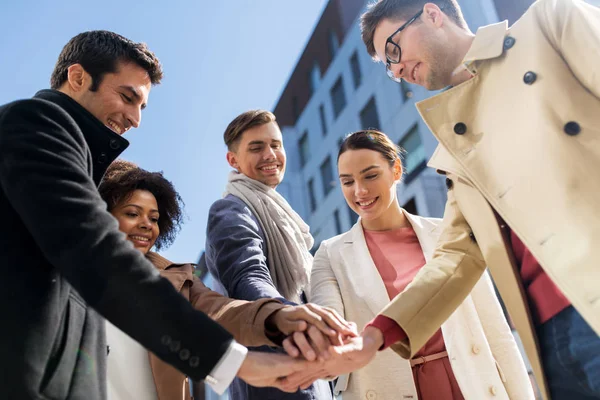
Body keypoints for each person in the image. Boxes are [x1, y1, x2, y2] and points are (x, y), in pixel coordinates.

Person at [283, 1, 600, 399]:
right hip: (551, 340)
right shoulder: (454, 147)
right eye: (387, 65)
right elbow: (455, 258)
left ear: (432, 14)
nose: (396, 70)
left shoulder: (552, 24)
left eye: (394, 50)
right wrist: (372, 339)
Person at [0, 31, 314, 400]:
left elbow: (218, 308)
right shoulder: (35, 122)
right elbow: (94, 251)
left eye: (142, 107)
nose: (135, 119)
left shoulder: (168, 274)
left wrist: (276, 318)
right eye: (127, 97)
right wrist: (236, 363)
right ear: (78, 77)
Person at [98, 160, 352, 399]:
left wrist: (278, 316)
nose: (146, 225)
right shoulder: (69, 270)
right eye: (133, 214)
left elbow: (222, 311)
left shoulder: (177, 282)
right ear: (100, 213)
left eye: (153, 218)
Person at [308, 130, 534, 400]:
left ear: (396, 170)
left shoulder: (448, 234)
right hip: (389, 389)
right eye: (348, 182)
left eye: (370, 175)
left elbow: (495, 331)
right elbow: (329, 327)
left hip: (472, 381)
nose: (360, 191)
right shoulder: (331, 255)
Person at [206, 110, 354, 400]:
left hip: (311, 378)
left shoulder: (283, 216)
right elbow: (246, 275)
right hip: (273, 384)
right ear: (233, 160)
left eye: (275, 144)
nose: (270, 154)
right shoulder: (231, 210)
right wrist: (287, 314)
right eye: (256, 147)